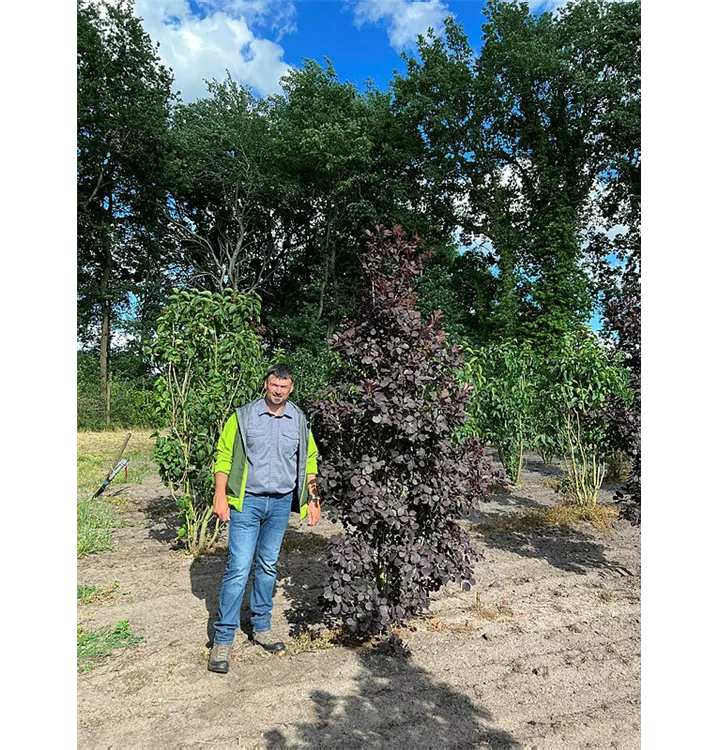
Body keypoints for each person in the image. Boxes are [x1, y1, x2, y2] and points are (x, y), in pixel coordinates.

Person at [207, 363, 321, 674]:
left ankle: (261, 626)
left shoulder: (299, 420)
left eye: (284, 387)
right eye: (274, 385)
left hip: (281, 504)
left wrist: (313, 498)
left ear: (291, 388)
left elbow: (310, 461)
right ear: (266, 384)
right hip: (247, 503)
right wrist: (220, 495)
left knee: (268, 564)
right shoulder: (242, 417)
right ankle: (223, 638)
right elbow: (224, 455)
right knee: (239, 567)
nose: (278, 391)